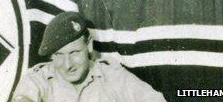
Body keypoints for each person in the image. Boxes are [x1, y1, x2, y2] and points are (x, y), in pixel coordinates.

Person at [11, 12, 167, 102]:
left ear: (89, 46)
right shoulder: (40, 79)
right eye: (59, 55)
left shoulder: (110, 75)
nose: (67, 65)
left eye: (74, 53)